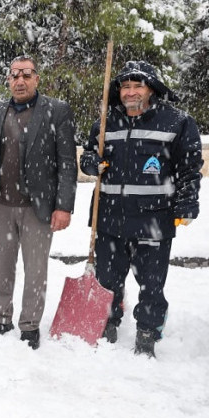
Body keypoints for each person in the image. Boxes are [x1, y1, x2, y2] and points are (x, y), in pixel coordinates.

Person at [80, 60, 202, 358]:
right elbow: (87, 154)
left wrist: (187, 201)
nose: (130, 92)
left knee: (151, 281)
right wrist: (90, 164)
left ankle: (148, 330)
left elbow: (190, 168)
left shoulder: (176, 121)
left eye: (137, 86)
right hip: (110, 215)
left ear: (151, 88)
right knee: (107, 278)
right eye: (125, 86)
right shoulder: (105, 122)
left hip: (154, 217)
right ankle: (107, 321)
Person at [0, 55, 77, 350]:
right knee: (2, 266)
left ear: (36, 79)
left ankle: (30, 325)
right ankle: (1, 318)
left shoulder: (56, 111)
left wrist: (64, 206)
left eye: (26, 74)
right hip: (1, 205)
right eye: (15, 75)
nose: (20, 80)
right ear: (8, 79)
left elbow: (67, 163)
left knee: (36, 269)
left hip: (38, 207)